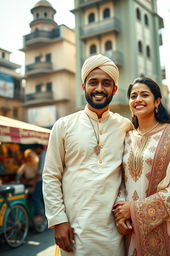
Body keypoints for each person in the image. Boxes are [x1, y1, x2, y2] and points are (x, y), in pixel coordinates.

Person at [42, 54, 132, 256]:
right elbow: (51, 175)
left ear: (114, 89)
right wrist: (58, 220)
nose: (99, 88)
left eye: (106, 83)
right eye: (93, 82)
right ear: (83, 86)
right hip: (74, 228)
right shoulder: (63, 125)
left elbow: (131, 174)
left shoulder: (125, 126)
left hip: (115, 230)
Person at [113, 77, 170, 256]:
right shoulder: (126, 137)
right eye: (133, 96)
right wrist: (121, 212)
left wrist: (137, 210)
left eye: (144, 95)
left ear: (157, 101)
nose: (138, 99)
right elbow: (119, 178)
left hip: (166, 226)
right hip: (130, 230)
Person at [32, 144, 46, 224]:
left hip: (41, 180)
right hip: (44, 180)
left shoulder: (42, 155)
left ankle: (38, 216)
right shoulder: (44, 154)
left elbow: (41, 171)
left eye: (35, 149)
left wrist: (34, 180)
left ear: (38, 148)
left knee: (36, 197)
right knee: (42, 198)